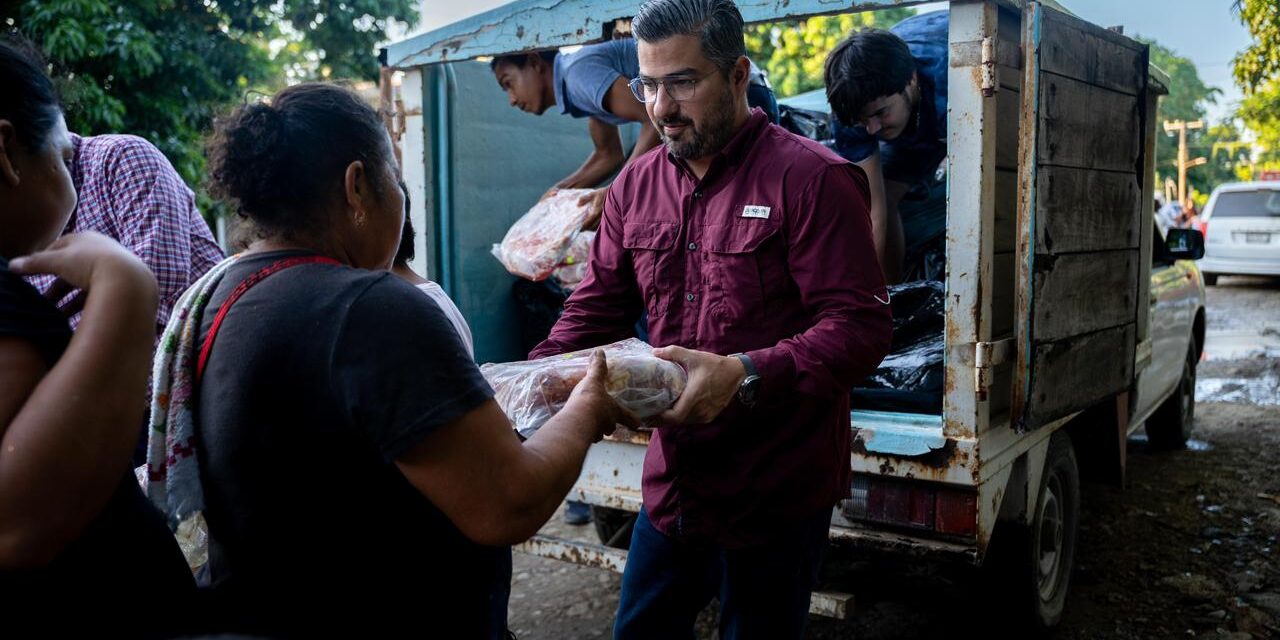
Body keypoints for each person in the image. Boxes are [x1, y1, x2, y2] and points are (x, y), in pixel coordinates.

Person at [193, 81, 635, 637]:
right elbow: (509, 501)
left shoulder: (216, 297)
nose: (402, 200)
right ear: (358, 187)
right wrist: (591, 403)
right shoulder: (370, 309)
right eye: (395, 179)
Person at [527, 0, 893, 637]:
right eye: (648, 85)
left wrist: (745, 373)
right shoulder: (636, 187)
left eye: (683, 82)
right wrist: (524, 386)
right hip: (676, 485)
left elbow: (860, 327)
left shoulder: (813, 180)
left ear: (737, 76)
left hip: (778, 490)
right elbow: (595, 307)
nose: (660, 108)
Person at [0, 36, 195, 636]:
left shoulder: (124, 162)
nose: (71, 169)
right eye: (60, 156)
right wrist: (120, 285)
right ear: (6, 150)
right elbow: (18, 524)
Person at [491, 38, 779, 230]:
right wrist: (558, 194)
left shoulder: (577, 74)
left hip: (741, 92)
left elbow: (654, 120)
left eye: (509, 84)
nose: (512, 99)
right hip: (746, 88)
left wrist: (616, 191)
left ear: (534, 62)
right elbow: (608, 155)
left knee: (750, 206)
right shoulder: (577, 89)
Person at [825, 10, 950, 284]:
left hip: (953, 94)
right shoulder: (851, 109)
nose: (872, 129)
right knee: (882, 196)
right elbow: (874, 208)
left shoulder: (951, 83)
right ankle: (892, 296)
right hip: (912, 120)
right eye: (862, 120)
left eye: (880, 112)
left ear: (912, 81)